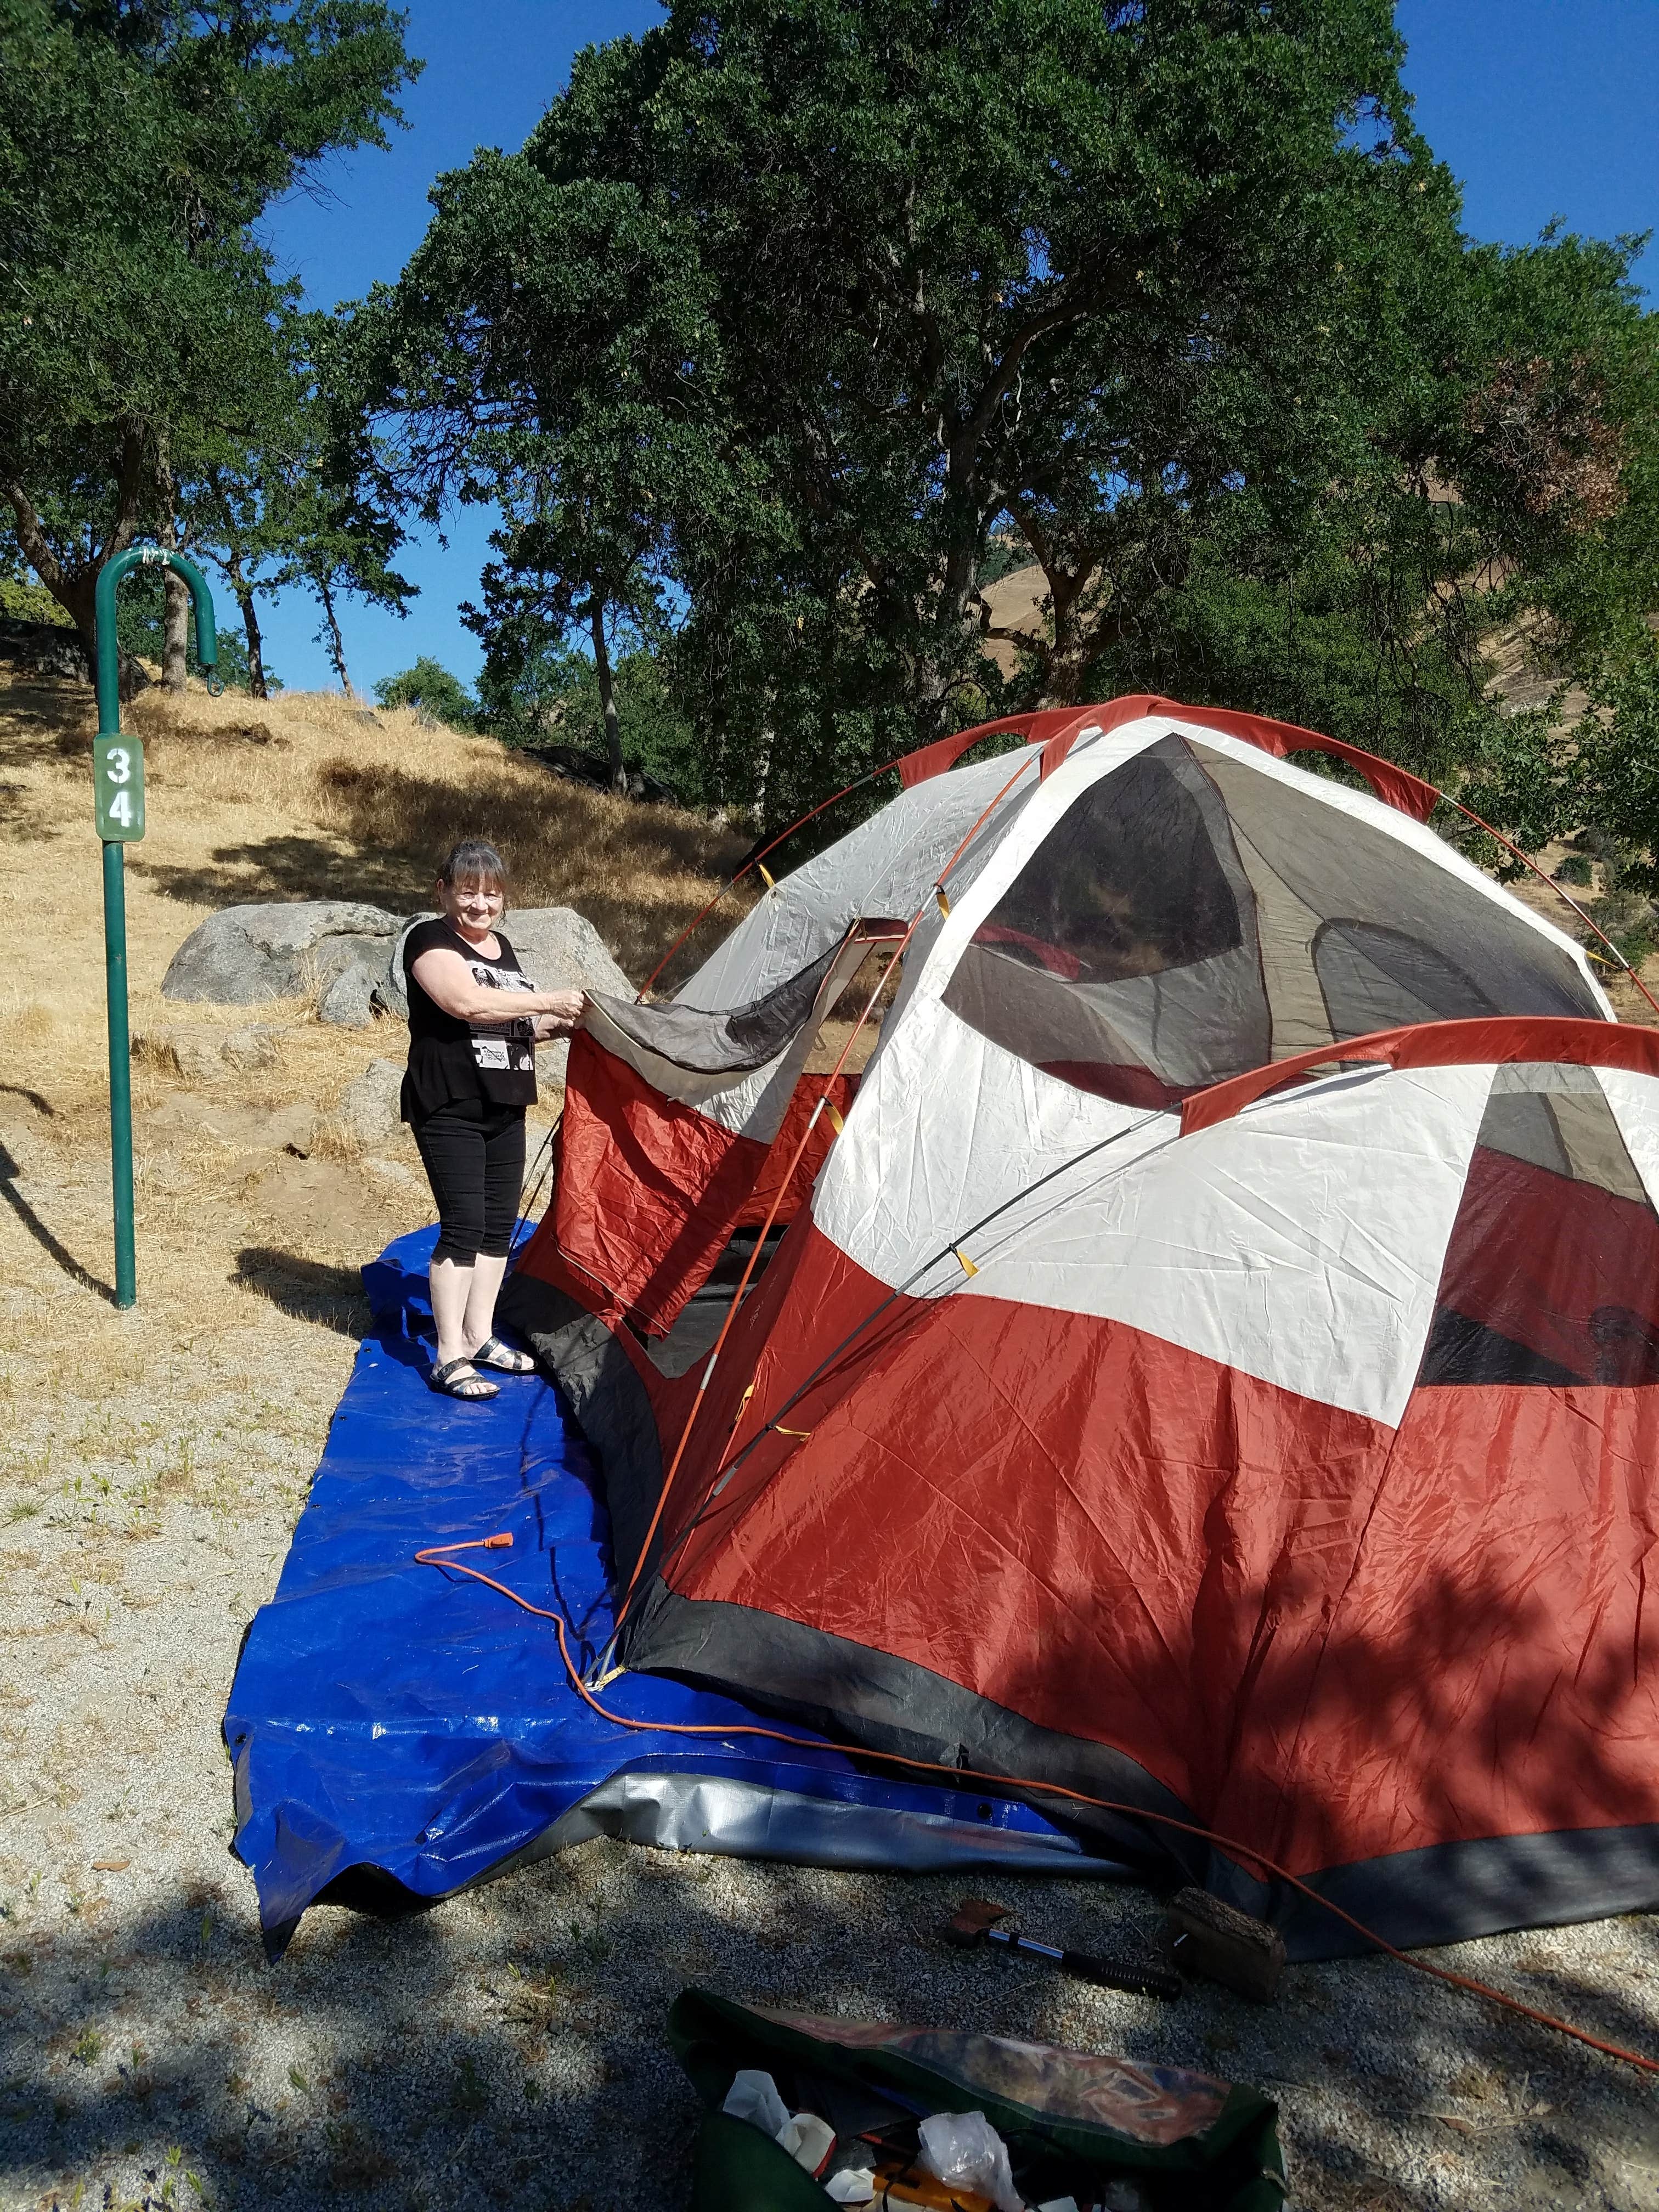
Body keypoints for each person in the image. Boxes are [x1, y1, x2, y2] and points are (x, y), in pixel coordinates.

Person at [401, 839, 585, 1400]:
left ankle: (479, 1336)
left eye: (492, 895)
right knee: (463, 1226)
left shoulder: (502, 948)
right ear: (443, 892)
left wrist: (565, 1026)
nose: (480, 905)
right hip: (450, 1103)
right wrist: (548, 999)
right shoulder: (429, 940)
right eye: (468, 892)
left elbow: (510, 1024)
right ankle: (448, 1356)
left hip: (505, 1103)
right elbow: (467, 1004)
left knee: (498, 1228)